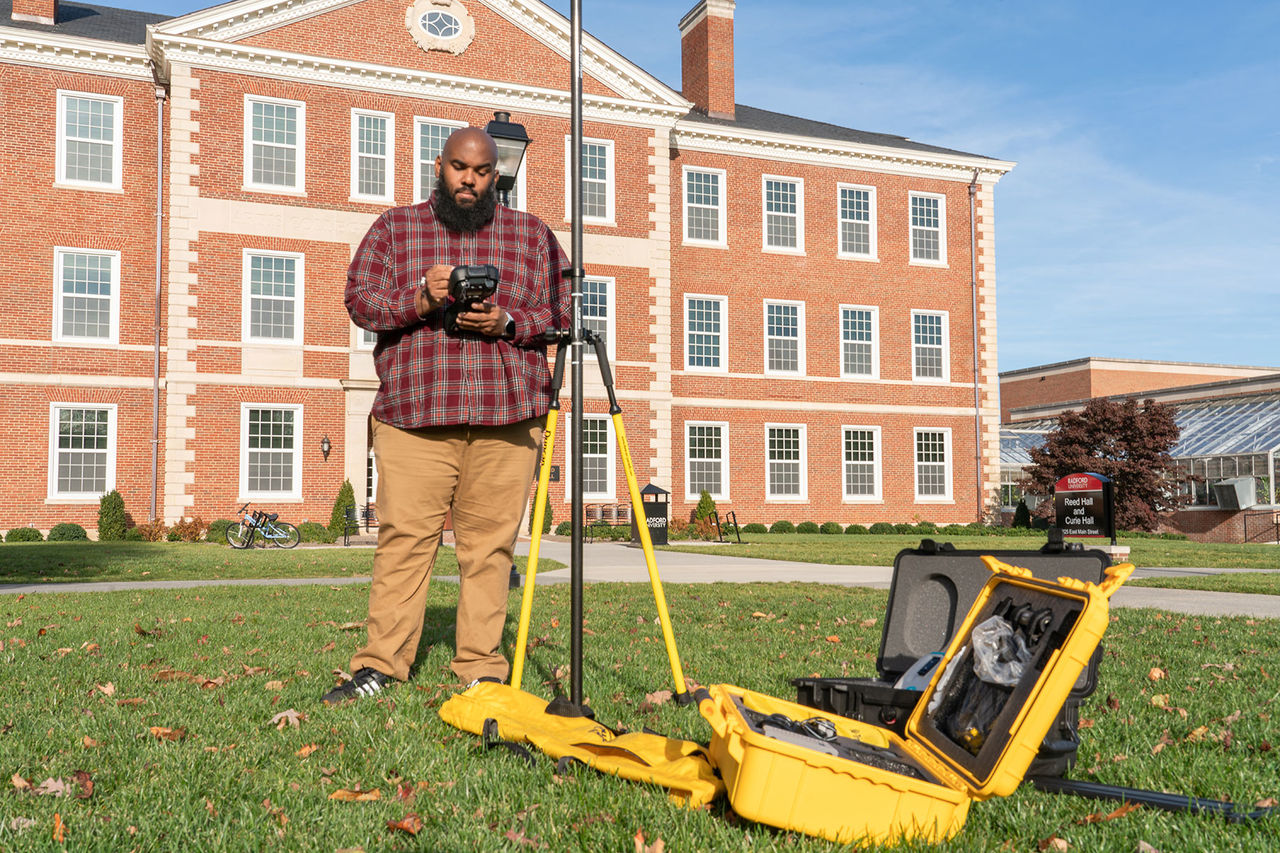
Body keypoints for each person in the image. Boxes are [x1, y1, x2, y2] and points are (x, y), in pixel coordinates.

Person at [324, 126, 568, 704]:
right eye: (460, 168)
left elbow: (560, 309)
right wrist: (422, 299)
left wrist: (508, 321)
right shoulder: (396, 228)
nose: (470, 180)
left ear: (496, 177)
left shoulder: (530, 234)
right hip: (415, 414)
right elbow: (360, 302)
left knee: (489, 550)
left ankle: (481, 670)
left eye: (482, 172)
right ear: (439, 166)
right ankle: (380, 665)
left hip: (505, 415)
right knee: (404, 542)